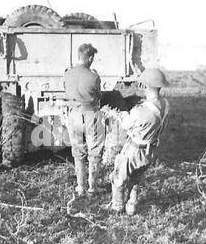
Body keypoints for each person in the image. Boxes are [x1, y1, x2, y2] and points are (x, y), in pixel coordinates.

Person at [110, 68, 170, 216]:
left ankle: (117, 207)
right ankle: (132, 205)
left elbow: (126, 124)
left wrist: (118, 114)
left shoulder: (141, 110)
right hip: (150, 149)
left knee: (118, 178)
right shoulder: (166, 105)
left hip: (134, 148)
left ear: (146, 86)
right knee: (136, 178)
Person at [64, 43, 105, 200]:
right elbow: (99, 96)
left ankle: (80, 187)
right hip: (91, 115)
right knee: (94, 152)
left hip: (73, 115)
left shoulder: (67, 74)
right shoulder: (93, 76)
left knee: (78, 152)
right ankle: (92, 188)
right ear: (90, 57)